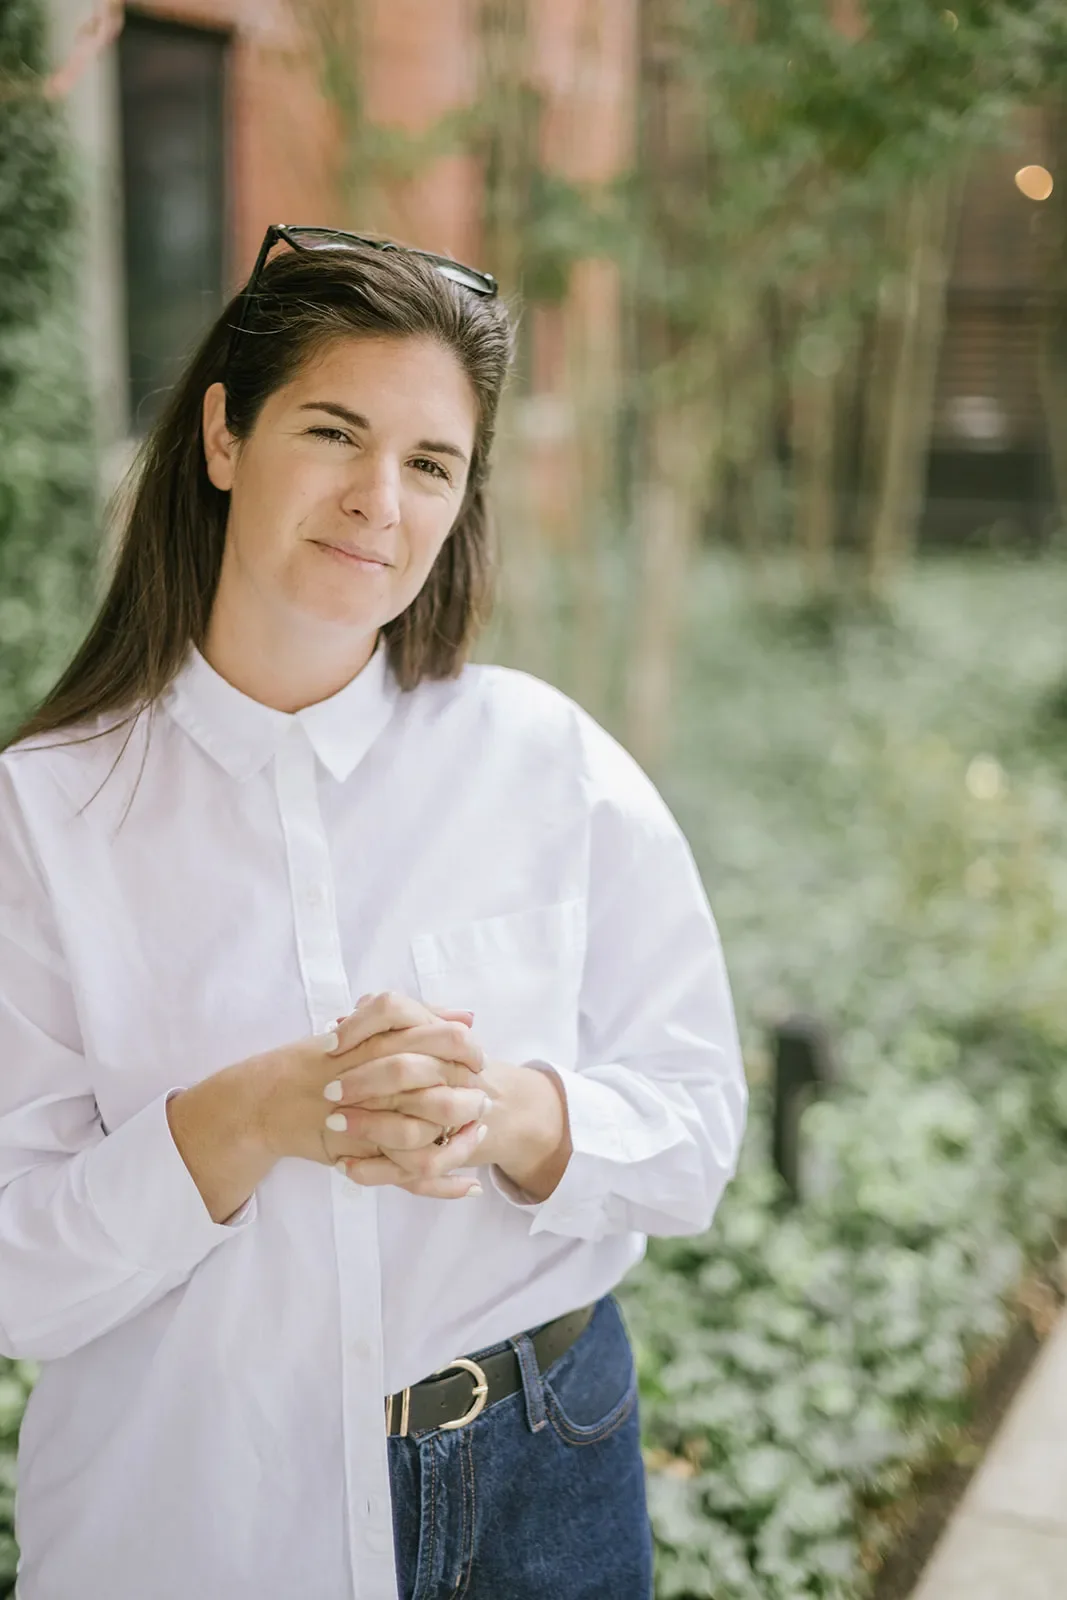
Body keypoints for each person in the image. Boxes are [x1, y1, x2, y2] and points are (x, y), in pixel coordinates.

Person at [0, 225, 748, 1600]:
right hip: (198, 1508)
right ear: (223, 436)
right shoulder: (42, 822)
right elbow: (13, 1275)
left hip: (546, 1475)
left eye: (429, 463)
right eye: (334, 433)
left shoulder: (547, 762)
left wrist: (511, 1111)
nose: (378, 501)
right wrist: (244, 1120)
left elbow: (695, 1131)